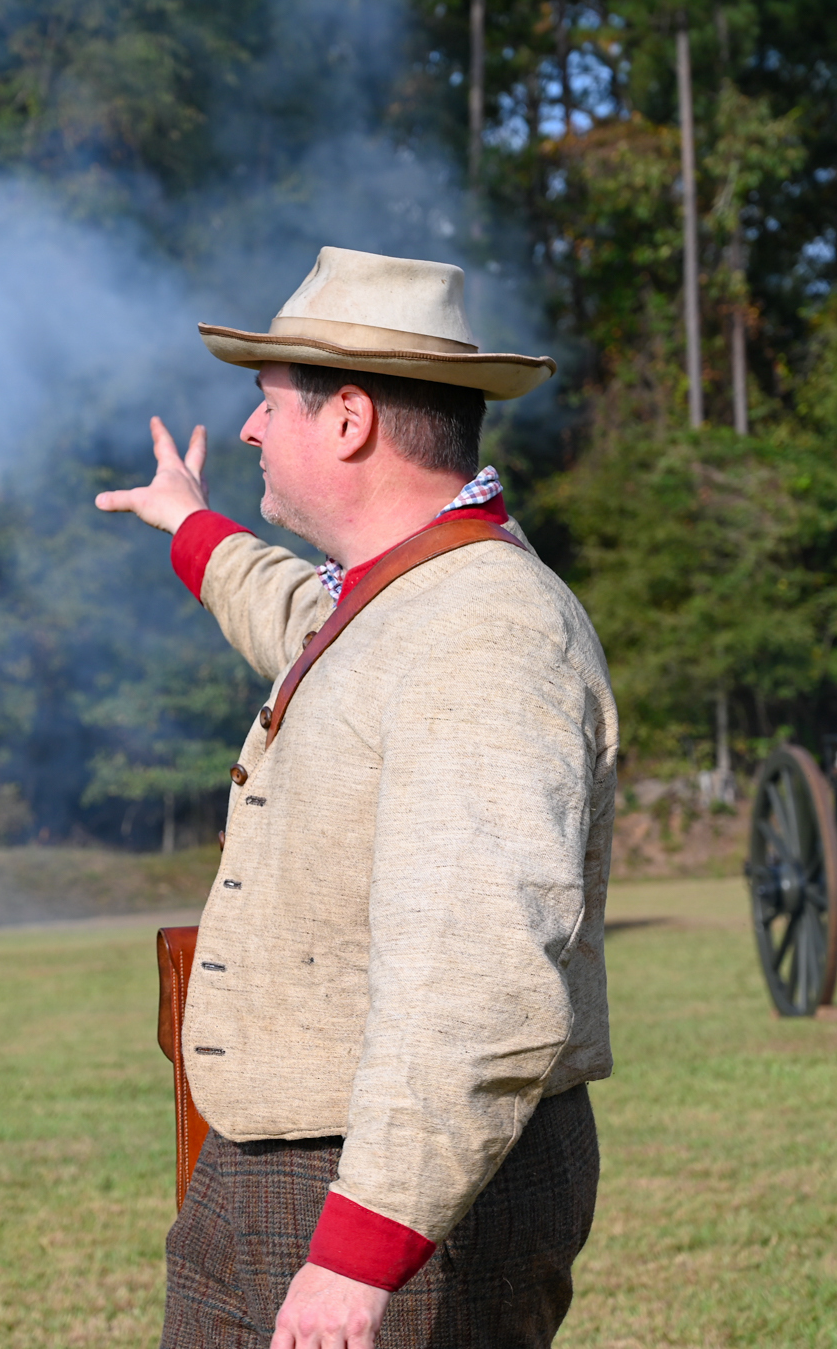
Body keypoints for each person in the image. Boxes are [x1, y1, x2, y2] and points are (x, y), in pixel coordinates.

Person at [95, 246, 617, 1349]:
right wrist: (190, 525)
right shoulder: (399, 601)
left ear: (346, 420)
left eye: (266, 404)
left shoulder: (482, 628)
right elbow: (294, 618)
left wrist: (356, 1250)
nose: (247, 431)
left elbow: (479, 962)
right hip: (307, 1167)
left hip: (382, 1186)